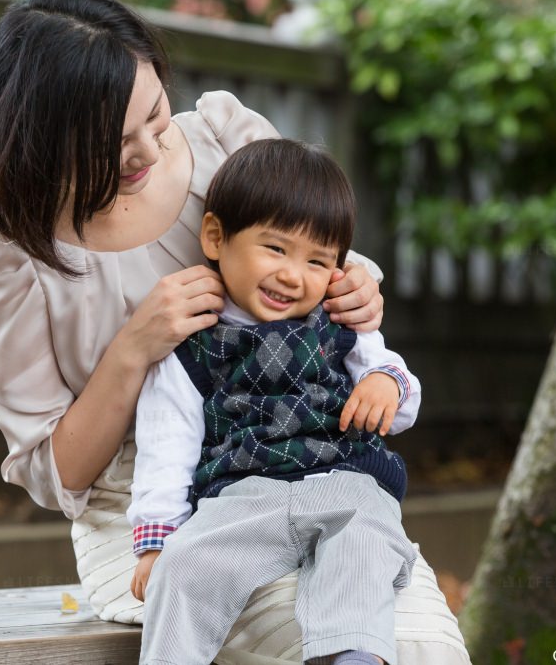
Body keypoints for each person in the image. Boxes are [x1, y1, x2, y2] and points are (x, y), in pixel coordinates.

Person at [0, 0, 471, 663]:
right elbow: (53, 473)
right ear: (45, 142)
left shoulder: (222, 139)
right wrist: (135, 346)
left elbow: (324, 260)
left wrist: (355, 289)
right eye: (115, 145)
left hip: (312, 471)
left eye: (155, 116)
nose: (148, 151)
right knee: (300, 640)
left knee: (419, 647)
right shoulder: (9, 254)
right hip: (150, 515)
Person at [128, 139, 419, 665]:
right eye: (276, 249)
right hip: (244, 498)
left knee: (365, 544)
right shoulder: (195, 343)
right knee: (186, 563)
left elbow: (398, 401)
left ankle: (352, 653)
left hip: (347, 481)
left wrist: (385, 384)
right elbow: (165, 443)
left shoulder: (340, 322)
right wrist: (156, 540)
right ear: (216, 237)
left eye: (317, 260)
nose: (293, 275)